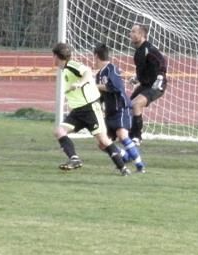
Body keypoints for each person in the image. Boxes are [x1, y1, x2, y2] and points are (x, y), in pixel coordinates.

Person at [52, 43, 130, 176]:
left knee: (103, 141)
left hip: (90, 109)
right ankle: (74, 159)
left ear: (56, 56)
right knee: (59, 131)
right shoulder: (65, 69)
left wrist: (80, 83)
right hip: (77, 111)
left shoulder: (72, 65)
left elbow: (87, 71)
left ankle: (123, 168)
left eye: (53, 56)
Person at [94, 43, 145, 173]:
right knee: (102, 143)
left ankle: (140, 166)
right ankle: (125, 157)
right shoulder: (99, 75)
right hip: (109, 112)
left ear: (96, 56)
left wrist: (96, 86)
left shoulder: (112, 69)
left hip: (121, 108)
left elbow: (116, 87)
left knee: (122, 135)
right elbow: (101, 94)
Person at [129, 23, 167, 145]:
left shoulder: (149, 49)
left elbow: (162, 62)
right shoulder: (138, 51)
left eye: (133, 32)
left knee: (136, 104)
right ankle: (129, 134)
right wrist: (136, 78)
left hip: (156, 85)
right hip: (145, 85)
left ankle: (137, 137)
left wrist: (160, 76)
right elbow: (145, 68)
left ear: (141, 34)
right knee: (128, 105)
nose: (130, 34)